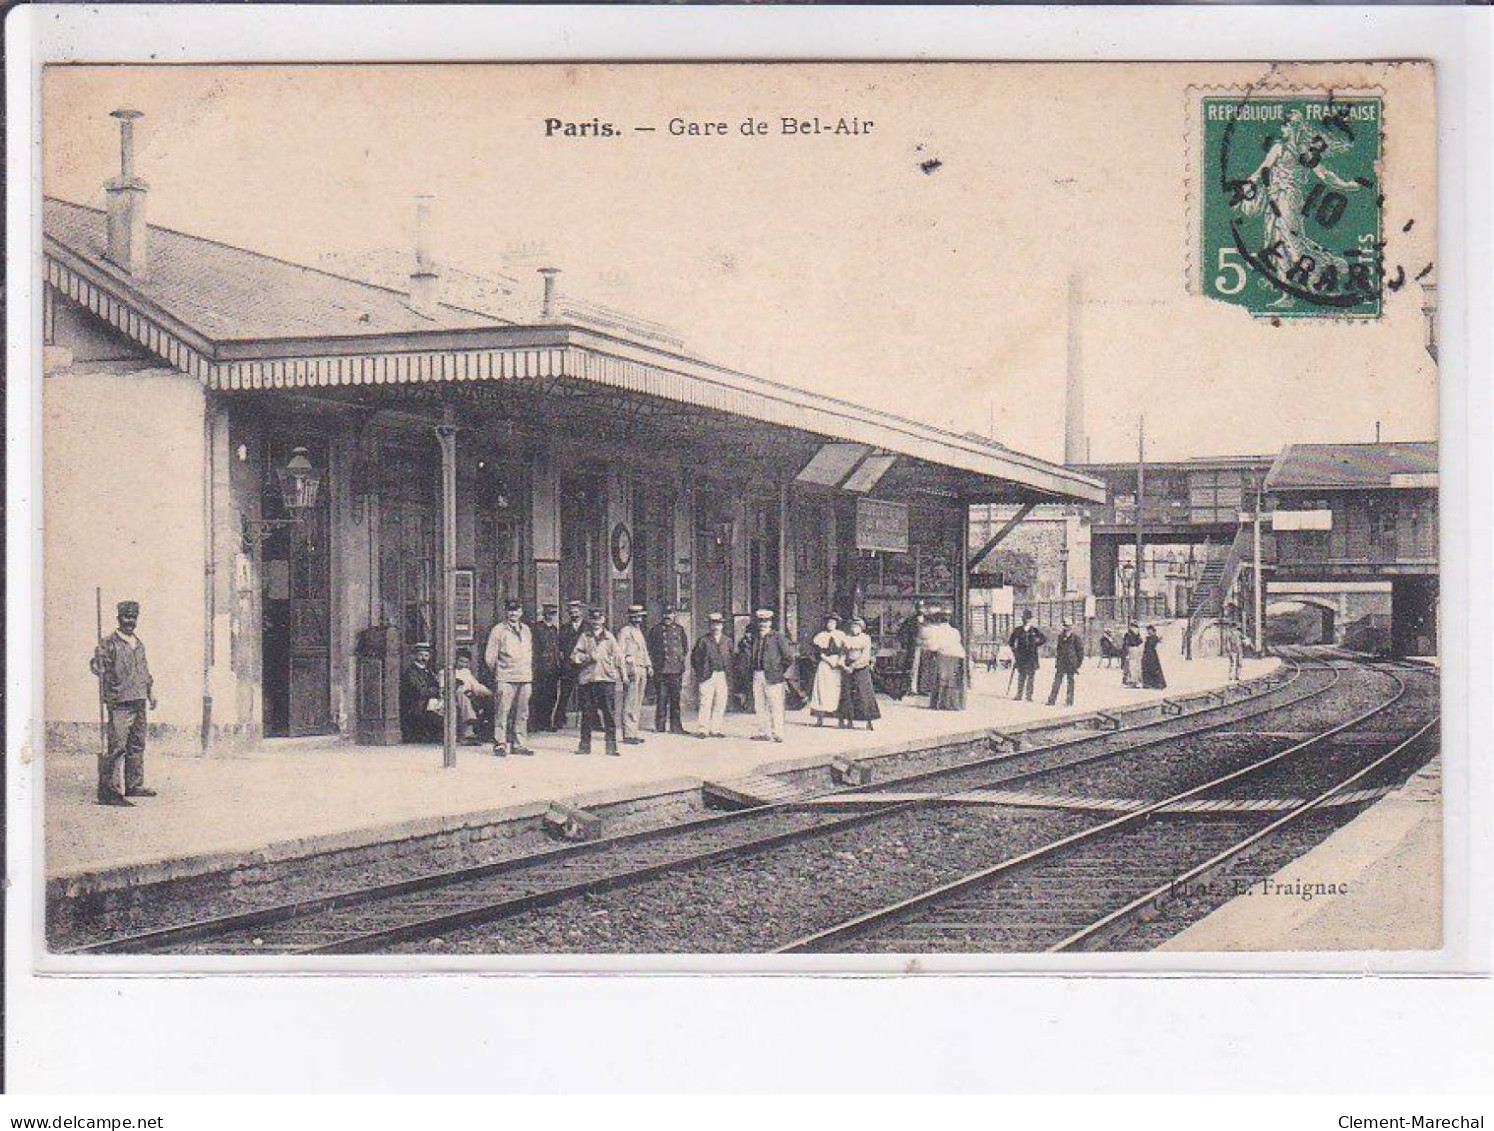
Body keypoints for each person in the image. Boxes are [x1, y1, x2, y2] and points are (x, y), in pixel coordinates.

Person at [89, 599, 157, 806]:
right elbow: (96, 666)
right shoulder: (108, 643)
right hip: (119, 701)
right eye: (126, 617)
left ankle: (134, 785)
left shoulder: (139, 643)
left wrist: (150, 693)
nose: (130, 621)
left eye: (133, 618)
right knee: (117, 745)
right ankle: (112, 789)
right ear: (119, 618)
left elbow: (144, 671)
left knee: (136, 744)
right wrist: (98, 662)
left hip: (138, 699)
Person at [484, 599, 534, 757]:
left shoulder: (526, 629)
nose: (513, 613)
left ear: (521, 612)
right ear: (506, 612)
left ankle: (519, 744)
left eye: (517, 610)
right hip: (506, 677)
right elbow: (490, 657)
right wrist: (499, 672)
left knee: (522, 712)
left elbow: (529, 652)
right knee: (502, 712)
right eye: (510, 610)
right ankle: (500, 743)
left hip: (524, 676)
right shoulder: (498, 630)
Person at [571, 608, 622, 756]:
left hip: (606, 680)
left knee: (609, 715)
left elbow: (618, 658)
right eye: (593, 620)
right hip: (588, 680)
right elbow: (574, 656)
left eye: (599, 620)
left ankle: (611, 747)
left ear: (603, 620)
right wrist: (587, 657)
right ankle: (584, 746)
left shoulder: (609, 638)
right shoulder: (585, 637)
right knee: (587, 714)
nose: (596, 623)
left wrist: (622, 675)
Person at [746, 607, 796, 743]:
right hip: (757, 674)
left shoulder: (777, 637)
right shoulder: (755, 638)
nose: (763, 624)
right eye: (761, 621)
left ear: (770, 623)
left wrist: (778, 670)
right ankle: (763, 732)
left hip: (773, 676)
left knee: (775, 705)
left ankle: (778, 732)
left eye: (766, 621)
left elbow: (788, 657)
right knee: (760, 704)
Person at [647, 603, 689, 734]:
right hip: (661, 669)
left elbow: (685, 648)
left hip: (675, 670)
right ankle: (660, 726)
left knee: (675, 700)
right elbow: (650, 649)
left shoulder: (680, 630)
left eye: (670, 614)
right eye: (665, 614)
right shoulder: (656, 630)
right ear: (662, 615)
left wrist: (679, 662)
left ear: (674, 615)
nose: (668, 616)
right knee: (661, 698)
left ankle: (676, 727)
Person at [615, 604, 654, 745]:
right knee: (630, 701)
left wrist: (649, 665)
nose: (637, 619)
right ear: (630, 617)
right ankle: (628, 733)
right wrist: (623, 673)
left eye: (639, 616)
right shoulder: (625, 632)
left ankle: (634, 731)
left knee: (637, 701)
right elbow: (619, 653)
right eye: (635, 617)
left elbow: (644, 650)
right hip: (632, 669)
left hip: (642, 668)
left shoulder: (639, 632)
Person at [690, 612, 732, 738]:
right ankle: (702, 729)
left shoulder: (727, 641)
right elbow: (695, 658)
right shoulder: (703, 640)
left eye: (718, 624)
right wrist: (701, 671)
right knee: (705, 702)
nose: (716, 627)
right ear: (710, 626)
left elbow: (731, 658)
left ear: (722, 625)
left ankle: (716, 729)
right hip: (707, 675)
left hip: (722, 675)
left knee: (720, 702)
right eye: (713, 624)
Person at [837, 615, 881, 730]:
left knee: (863, 694)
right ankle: (849, 720)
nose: (855, 628)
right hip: (848, 668)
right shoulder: (846, 638)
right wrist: (842, 664)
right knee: (847, 694)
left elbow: (865, 655)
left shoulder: (865, 638)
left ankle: (869, 721)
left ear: (862, 628)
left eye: (857, 626)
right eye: (853, 626)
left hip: (861, 668)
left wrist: (854, 666)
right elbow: (842, 653)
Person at [923, 607, 969, 711]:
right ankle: (954, 703)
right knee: (954, 680)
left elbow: (933, 646)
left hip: (944, 656)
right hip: (958, 656)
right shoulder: (955, 631)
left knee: (941, 679)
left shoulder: (935, 630)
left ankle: (940, 703)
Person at [399, 641, 443, 743]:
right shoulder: (411, 672)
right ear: (414, 656)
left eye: (426, 655)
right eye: (420, 655)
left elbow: (436, 685)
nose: (423, 658)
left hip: (428, 700)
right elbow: (419, 690)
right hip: (416, 703)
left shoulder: (429, 671)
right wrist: (433, 690)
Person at [552, 599, 587, 729]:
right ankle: (559, 720)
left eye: (576, 612)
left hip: (584, 666)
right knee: (565, 694)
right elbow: (560, 647)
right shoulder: (565, 628)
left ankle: (593, 721)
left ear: (581, 612)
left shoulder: (587, 627)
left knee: (587, 695)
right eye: (571, 613)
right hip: (568, 666)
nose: (574, 615)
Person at [529, 603, 563, 731]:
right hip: (540, 667)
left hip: (553, 667)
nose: (551, 616)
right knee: (538, 695)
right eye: (549, 613)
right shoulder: (537, 628)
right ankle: (536, 723)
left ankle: (547, 722)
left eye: (553, 614)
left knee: (551, 696)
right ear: (544, 614)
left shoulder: (554, 629)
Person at [808, 614, 846, 726]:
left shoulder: (841, 635)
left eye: (833, 623)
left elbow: (844, 650)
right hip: (824, 664)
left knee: (836, 690)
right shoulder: (821, 636)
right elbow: (817, 651)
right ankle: (820, 719)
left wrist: (838, 661)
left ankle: (840, 720)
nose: (831, 625)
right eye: (829, 623)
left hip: (836, 665)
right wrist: (826, 659)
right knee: (821, 690)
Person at [451, 648, 492, 745]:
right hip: (454, 697)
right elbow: (445, 688)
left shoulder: (466, 672)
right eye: (461, 661)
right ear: (456, 660)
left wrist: (489, 693)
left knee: (490, 698)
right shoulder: (447, 672)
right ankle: (469, 724)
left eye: (466, 662)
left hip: (470, 696)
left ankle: (487, 732)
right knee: (461, 694)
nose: (463, 664)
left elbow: (476, 686)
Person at [1007, 609, 1047, 702]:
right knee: (1022, 676)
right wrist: (1015, 652)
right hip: (1021, 657)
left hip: (1032, 657)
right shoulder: (1018, 630)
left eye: (1028, 619)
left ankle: (1029, 696)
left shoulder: (1034, 630)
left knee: (1031, 677)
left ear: (1030, 620)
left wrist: (1036, 644)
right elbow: (1011, 642)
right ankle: (1019, 695)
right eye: (1024, 619)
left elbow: (1044, 639)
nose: (1026, 620)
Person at [1046, 619, 1084, 707]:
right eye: (1066, 627)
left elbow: (1080, 652)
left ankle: (1069, 701)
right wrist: (1058, 660)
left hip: (1071, 663)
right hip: (1061, 663)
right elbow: (1059, 650)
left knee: (1070, 682)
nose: (1067, 629)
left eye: (1069, 627)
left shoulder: (1075, 638)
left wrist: (1078, 664)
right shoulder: (1060, 637)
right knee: (1057, 681)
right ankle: (1052, 700)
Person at [894, 600, 927, 699]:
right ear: (916, 608)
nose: (921, 609)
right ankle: (911, 688)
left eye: (922, 607)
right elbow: (902, 633)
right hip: (913, 647)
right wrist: (907, 643)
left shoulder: (928, 620)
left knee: (924, 668)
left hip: (926, 647)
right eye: (919, 607)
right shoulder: (910, 620)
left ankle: (922, 688)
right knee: (912, 668)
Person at [1222, 603, 1244, 682]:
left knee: (1239, 663)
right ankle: (1231, 677)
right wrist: (1229, 650)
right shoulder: (1230, 634)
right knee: (1233, 663)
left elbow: (1243, 639)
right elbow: (1227, 643)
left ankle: (1237, 676)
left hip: (1238, 649)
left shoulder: (1237, 633)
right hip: (1233, 650)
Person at [1142, 624, 1168, 689]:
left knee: (1154, 669)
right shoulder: (1149, 638)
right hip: (1147, 655)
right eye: (1148, 630)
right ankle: (1149, 683)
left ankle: (1157, 683)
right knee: (1147, 669)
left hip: (1152, 655)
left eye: (1149, 630)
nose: (1148, 632)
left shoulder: (1154, 638)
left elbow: (1154, 646)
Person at [1120, 621, 1143, 688]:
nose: (1135, 628)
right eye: (1134, 627)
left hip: (1135, 651)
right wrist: (1126, 653)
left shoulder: (1136, 634)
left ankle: (1134, 680)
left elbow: (1140, 642)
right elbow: (1126, 644)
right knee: (1130, 666)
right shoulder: (1129, 635)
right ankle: (1129, 681)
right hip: (1131, 651)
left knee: (1134, 666)